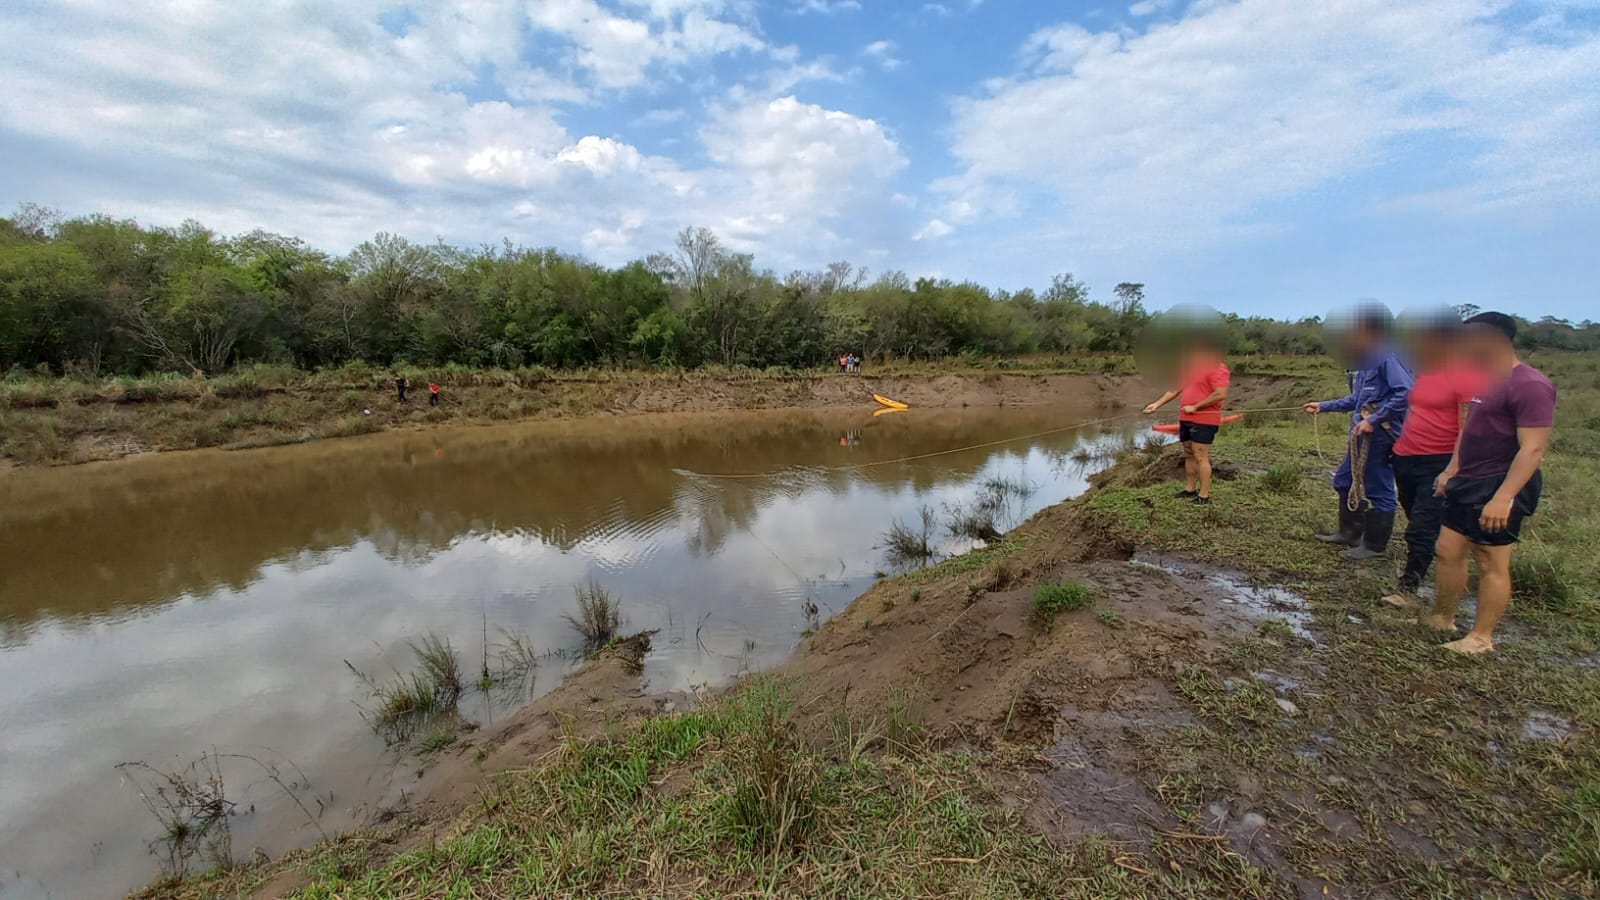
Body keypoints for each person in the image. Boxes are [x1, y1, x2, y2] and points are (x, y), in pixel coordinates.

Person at [1425, 312, 1555, 654]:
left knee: (1489, 560)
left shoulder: (1530, 384)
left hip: (1498, 485)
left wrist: (1504, 497)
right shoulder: (1486, 380)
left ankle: (1482, 637)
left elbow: (1534, 448)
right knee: (1447, 551)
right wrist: (1452, 469)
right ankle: (1442, 618)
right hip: (1467, 480)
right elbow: (1468, 431)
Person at [1386, 315, 1484, 599]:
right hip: (1405, 457)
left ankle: (1408, 589)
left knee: (1423, 525)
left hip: (1436, 461)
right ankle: (1446, 564)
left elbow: (1469, 425)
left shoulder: (1467, 375)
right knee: (1417, 519)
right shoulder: (1428, 372)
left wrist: (1452, 468)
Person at [1304, 305, 1413, 559]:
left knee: (1379, 488)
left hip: (1380, 434)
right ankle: (1350, 533)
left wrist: (1374, 419)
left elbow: (1406, 393)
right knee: (1343, 481)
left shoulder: (1387, 355)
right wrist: (1323, 406)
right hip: (1362, 433)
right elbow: (1357, 399)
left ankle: (1375, 547)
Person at [1143, 336, 1230, 506]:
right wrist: (1156, 405)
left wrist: (1196, 406)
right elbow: (1175, 389)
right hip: (1186, 418)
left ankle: (1204, 496)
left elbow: (1220, 394)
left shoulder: (1219, 369)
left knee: (1200, 455)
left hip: (1205, 420)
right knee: (1189, 453)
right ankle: (1190, 489)